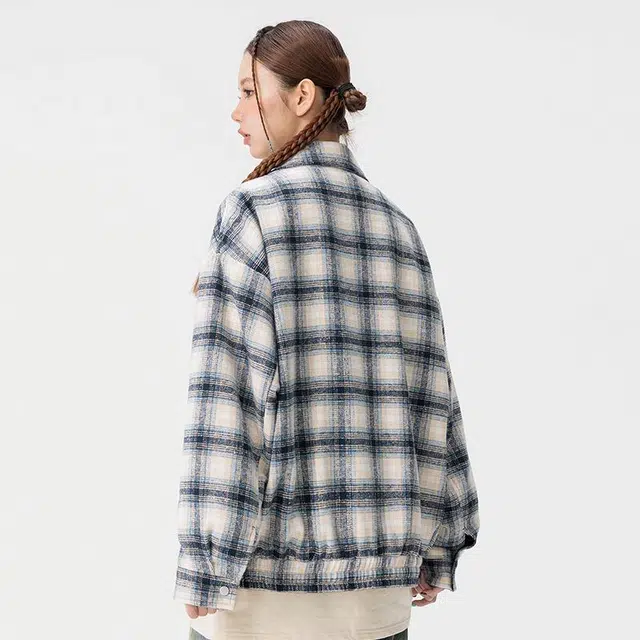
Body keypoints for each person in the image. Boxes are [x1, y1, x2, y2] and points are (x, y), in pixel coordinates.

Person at [172, 20, 480, 640]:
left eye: (248, 91)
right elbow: (435, 400)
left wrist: (205, 560)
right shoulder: (398, 226)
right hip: (380, 595)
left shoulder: (253, 213)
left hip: (269, 591)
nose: (236, 111)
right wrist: (441, 542)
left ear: (303, 96)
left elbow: (228, 405)